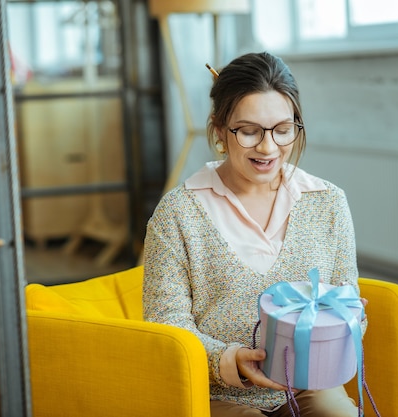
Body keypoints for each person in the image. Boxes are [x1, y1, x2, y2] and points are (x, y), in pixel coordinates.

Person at [143, 51, 366, 417]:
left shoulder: (328, 202)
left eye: (282, 130)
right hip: (214, 394)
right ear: (218, 130)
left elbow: (347, 295)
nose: (268, 147)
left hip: (309, 385)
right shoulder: (178, 214)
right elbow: (166, 327)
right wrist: (229, 361)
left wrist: (346, 318)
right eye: (249, 131)